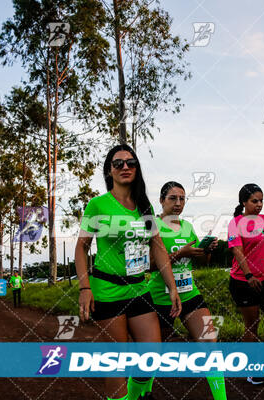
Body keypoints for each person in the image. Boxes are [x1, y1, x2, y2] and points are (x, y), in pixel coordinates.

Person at [75, 144, 181, 400]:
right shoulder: (98, 205)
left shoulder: (144, 207)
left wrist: (172, 286)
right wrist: (84, 287)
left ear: (137, 169)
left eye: (130, 163)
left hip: (138, 288)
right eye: (118, 163)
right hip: (107, 290)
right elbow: (81, 247)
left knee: (151, 355)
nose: (125, 167)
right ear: (109, 171)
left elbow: (158, 250)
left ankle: (136, 396)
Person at [145, 181, 226, 400]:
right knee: (153, 352)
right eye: (173, 198)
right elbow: (147, 265)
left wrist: (207, 250)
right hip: (160, 297)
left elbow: (201, 260)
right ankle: (143, 392)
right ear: (161, 201)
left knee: (210, 340)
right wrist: (179, 254)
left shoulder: (188, 227)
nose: (178, 203)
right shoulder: (152, 226)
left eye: (182, 198)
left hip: (190, 293)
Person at [227, 184, 264, 385]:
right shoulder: (235, 223)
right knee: (252, 326)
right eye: (254, 201)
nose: (259, 205)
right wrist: (249, 275)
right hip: (244, 282)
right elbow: (237, 251)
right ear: (244, 202)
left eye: (261, 201)